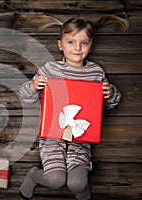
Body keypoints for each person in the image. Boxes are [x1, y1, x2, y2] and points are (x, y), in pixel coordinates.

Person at [18, 15, 129, 200]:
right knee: (56, 180)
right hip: (53, 135)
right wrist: (32, 86)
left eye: (83, 43)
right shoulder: (50, 69)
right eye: (71, 42)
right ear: (60, 44)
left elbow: (108, 105)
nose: (77, 48)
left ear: (91, 45)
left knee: (77, 184)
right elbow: (25, 95)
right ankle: (33, 176)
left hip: (81, 138)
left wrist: (111, 93)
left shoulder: (95, 72)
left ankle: (81, 187)